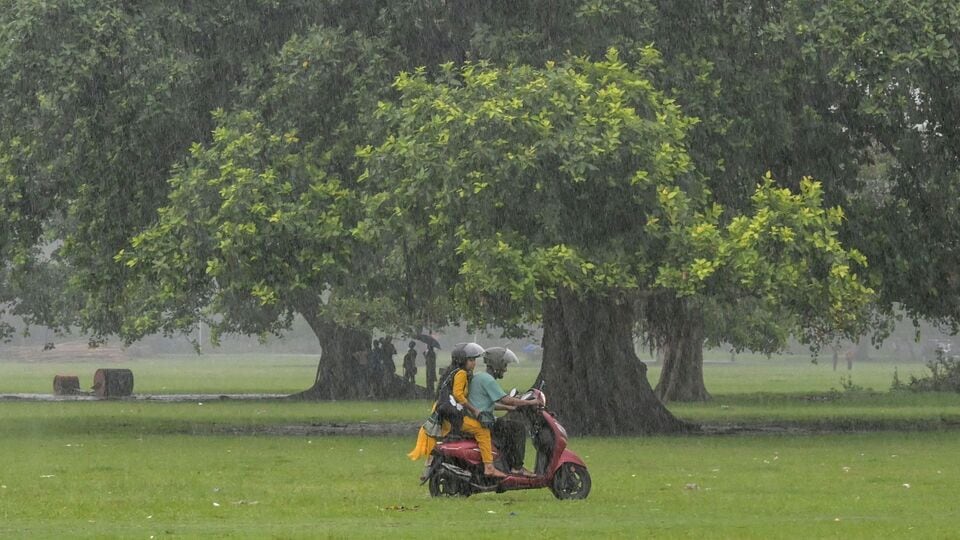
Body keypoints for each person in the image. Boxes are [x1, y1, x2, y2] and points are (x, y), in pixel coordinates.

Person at [407, 342, 481, 478]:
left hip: (443, 408)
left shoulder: (452, 371)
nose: (474, 363)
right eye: (471, 360)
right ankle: (437, 466)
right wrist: (473, 409)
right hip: (449, 411)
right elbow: (458, 394)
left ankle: (430, 467)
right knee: (449, 437)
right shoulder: (461, 373)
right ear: (463, 360)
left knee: (439, 437)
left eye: (474, 360)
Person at [469, 346, 539, 478]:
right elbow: (507, 399)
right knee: (517, 428)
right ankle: (517, 467)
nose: (505, 369)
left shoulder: (480, 377)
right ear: (497, 364)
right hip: (483, 422)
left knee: (507, 429)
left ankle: (505, 464)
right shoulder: (488, 380)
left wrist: (509, 408)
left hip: (479, 418)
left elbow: (487, 403)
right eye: (505, 365)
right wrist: (531, 402)